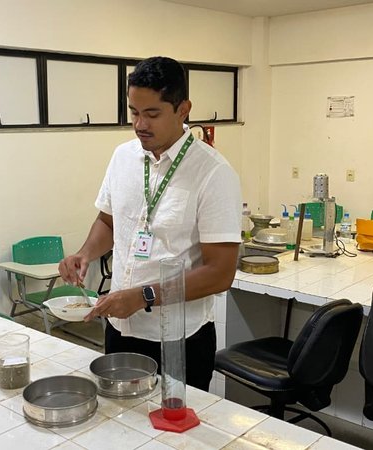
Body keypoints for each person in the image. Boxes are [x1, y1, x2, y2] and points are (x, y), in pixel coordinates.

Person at [58, 56, 241, 391]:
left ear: (183, 109)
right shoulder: (123, 157)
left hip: (177, 338)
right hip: (120, 328)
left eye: (152, 113)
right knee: (123, 426)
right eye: (134, 112)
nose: (140, 124)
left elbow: (221, 273)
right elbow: (110, 222)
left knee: (176, 439)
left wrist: (143, 296)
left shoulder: (213, 173)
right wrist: (84, 254)